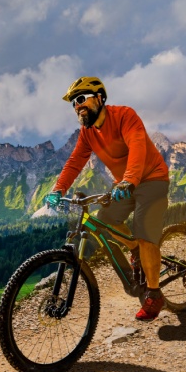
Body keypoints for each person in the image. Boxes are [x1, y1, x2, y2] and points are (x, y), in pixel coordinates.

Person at [43, 77, 170, 321]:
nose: (77, 106)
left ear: (100, 97)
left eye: (81, 99)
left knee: (144, 232)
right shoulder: (87, 132)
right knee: (106, 220)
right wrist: (58, 189)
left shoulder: (124, 116)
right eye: (73, 104)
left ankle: (154, 294)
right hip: (125, 184)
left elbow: (137, 146)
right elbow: (75, 161)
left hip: (151, 179)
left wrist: (130, 180)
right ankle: (135, 251)